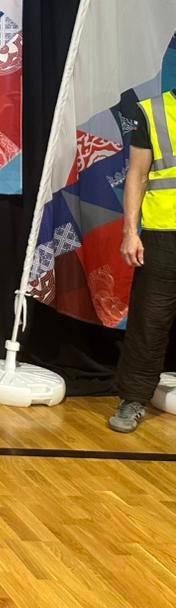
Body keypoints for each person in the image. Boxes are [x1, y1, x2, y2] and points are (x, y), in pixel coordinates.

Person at [109, 84, 176, 433]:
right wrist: (130, 232)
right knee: (150, 320)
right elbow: (136, 174)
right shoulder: (153, 111)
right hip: (163, 233)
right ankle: (134, 398)